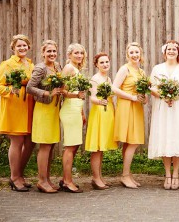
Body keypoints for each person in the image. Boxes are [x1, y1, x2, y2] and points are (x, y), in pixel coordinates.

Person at [148, 40, 179, 190]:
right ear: (164, 52)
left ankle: (176, 174)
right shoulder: (157, 68)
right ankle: (167, 174)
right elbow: (152, 87)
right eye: (169, 49)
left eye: (174, 49)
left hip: (178, 107)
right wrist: (164, 96)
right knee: (165, 138)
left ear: (178, 52)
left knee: (177, 138)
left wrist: (175, 96)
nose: (171, 51)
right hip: (162, 107)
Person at [0, 34, 34, 192]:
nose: (22, 48)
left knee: (30, 143)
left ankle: (20, 175)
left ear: (28, 47)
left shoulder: (31, 64)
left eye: (24, 45)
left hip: (29, 106)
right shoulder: (7, 64)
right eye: (19, 45)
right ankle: (14, 177)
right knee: (17, 142)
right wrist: (10, 90)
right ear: (13, 47)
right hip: (15, 106)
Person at [27, 40, 62, 193]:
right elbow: (30, 87)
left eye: (54, 51)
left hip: (54, 109)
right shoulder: (40, 68)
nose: (52, 54)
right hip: (43, 110)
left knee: (52, 144)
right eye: (49, 51)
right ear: (43, 53)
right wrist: (47, 93)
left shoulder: (57, 66)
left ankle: (47, 179)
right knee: (45, 145)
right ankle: (41, 181)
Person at [113, 42, 147, 189]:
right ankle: (125, 175)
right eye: (131, 52)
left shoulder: (142, 72)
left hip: (137, 107)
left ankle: (127, 174)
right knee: (132, 141)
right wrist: (132, 97)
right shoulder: (124, 69)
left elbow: (143, 92)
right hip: (126, 106)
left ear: (140, 54)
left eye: (137, 52)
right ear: (128, 55)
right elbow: (114, 88)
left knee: (129, 142)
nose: (134, 55)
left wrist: (144, 98)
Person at [85, 53, 118, 190]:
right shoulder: (95, 79)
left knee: (102, 147)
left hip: (108, 111)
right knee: (97, 148)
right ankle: (95, 178)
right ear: (96, 65)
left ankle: (100, 177)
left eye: (107, 62)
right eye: (102, 62)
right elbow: (91, 98)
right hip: (99, 112)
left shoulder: (109, 78)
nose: (105, 64)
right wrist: (100, 101)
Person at [59, 43, 87, 193]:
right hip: (69, 109)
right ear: (69, 54)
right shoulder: (69, 68)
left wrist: (82, 112)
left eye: (81, 53)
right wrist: (76, 95)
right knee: (70, 146)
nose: (79, 55)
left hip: (76, 109)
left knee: (74, 146)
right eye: (76, 53)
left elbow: (79, 94)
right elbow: (62, 91)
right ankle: (68, 182)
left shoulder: (77, 69)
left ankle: (65, 178)